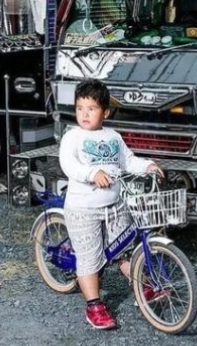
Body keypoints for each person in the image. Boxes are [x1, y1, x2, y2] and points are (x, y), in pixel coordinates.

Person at [58, 78, 162, 331]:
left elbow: (127, 161)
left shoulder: (113, 136)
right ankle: (94, 305)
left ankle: (142, 285)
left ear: (105, 111)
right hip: (84, 208)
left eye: (91, 109)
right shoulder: (73, 137)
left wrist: (147, 165)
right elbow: (69, 164)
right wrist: (92, 174)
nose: (84, 114)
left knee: (123, 248)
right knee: (89, 257)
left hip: (115, 205)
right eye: (80, 108)